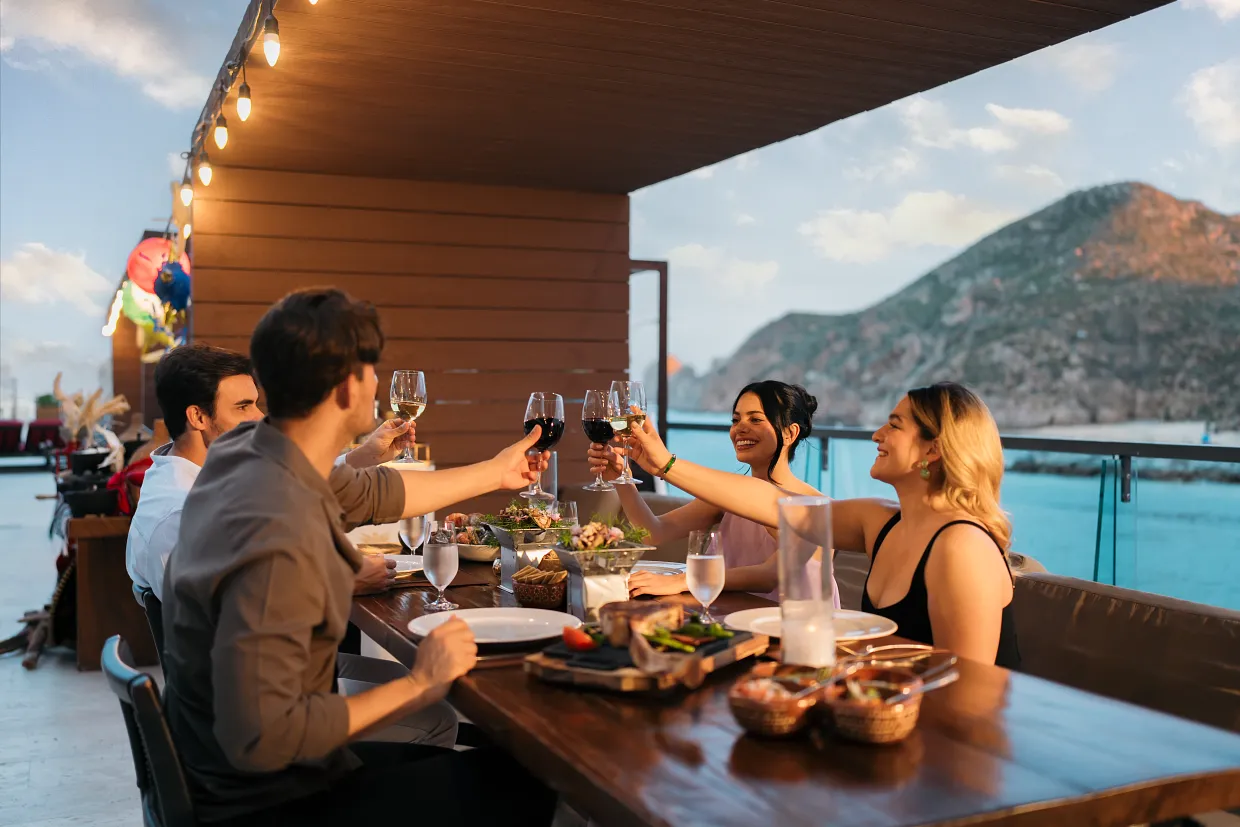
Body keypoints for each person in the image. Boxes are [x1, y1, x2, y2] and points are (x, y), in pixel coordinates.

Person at [161, 289, 556, 825]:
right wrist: (423, 683)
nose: (376, 383)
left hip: (231, 771)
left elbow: (375, 494)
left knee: (500, 767)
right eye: (372, 370)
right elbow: (261, 739)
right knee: (524, 782)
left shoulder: (252, 449)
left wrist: (496, 471)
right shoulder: (279, 527)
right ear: (349, 385)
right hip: (266, 800)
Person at [126, 342, 458, 748]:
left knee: (421, 681)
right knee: (436, 711)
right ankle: (359, 805)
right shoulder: (178, 518)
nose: (261, 417)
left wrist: (364, 456)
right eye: (244, 407)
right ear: (198, 417)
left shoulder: (198, 479)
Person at [618, 381, 1020, 669]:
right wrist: (660, 465)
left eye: (895, 425)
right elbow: (780, 505)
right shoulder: (880, 521)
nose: (877, 434)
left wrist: (665, 465)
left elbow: (967, 687)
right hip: (887, 705)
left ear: (933, 449)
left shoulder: (961, 545)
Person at [590, 381, 840, 605]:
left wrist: (685, 580)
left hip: (798, 635)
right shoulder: (728, 499)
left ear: (790, 433)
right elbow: (653, 532)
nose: (740, 428)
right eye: (735, 420)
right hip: (731, 620)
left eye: (755, 420)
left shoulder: (817, 508)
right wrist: (621, 479)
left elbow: (770, 575)